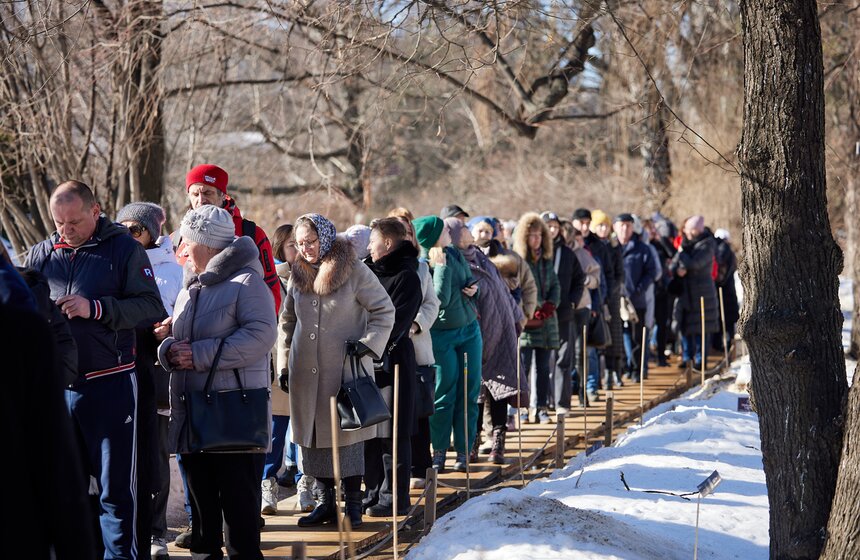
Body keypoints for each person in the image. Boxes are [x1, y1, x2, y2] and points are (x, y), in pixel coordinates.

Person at [26, 181, 165, 559]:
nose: (65, 231)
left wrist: (97, 309)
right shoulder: (41, 254)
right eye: (59, 223)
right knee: (62, 489)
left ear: (96, 210)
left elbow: (152, 307)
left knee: (116, 491)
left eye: (74, 222)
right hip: (58, 388)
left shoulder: (123, 249)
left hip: (112, 384)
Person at [158, 205, 277, 559]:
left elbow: (261, 335)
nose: (182, 250)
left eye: (187, 242)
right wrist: (167, 344)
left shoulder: (247, 282)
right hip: (194, 418)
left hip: (232, 418)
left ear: (209, 246)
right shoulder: (189, 287)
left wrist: (198, 354)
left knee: (239, 522)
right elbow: (185, 338)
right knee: (203, 522)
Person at [279, 213, 395, 529]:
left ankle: (354, 506)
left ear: (326, 239)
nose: (306, 249)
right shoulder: (297, 274)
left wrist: (368, 345)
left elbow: (384, 311)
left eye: (311, 242)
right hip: (305, 371)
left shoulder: (354, 270)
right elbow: (287, 321)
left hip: (344, 371)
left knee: (348, 439)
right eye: (300, 244)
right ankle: (326, 503)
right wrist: (284, 363)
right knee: (314, 441)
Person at [116, 201, 183, 560]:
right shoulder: (113, 263)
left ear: (152, 233)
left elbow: (182, 314)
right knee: (122, 456)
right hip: (118, 367)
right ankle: (127, 530)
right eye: (121, 228)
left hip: (154, 369)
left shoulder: (172, 271)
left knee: (155, 454)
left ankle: (157, 532)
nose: (128, 236)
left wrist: (168, 327)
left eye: (136, 230)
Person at [412, 215, 482, 473]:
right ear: (432, 237)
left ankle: (464, 451)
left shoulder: (454, 254)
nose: (449, 234)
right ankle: (439, 450)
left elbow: (468, 281)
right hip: (441, 335)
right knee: (443, 393)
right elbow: (439, 298)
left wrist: (474, 288)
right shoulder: (423, 262)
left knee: (469, 391)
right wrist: (439, 267)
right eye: (443, 231)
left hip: (469, 330)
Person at [451, 218, 524, 463]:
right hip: (473, 331)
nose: (470, 234)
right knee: (476, 390)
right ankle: (474, 439)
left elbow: (502, 291)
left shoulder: (483, 260)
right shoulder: (453, 261)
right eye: (464, 229)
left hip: (500, 329)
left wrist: (517, 318)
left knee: (499, 389)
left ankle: (498, 441)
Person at [364, 218, 422, 516]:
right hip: (364, 361)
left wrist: (370, 345)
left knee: (393, 432)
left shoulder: (407, 276)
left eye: (372, 241)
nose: (368, 247)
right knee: (369, 430)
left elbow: (396, 322)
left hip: (393, 360)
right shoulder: (368, 270)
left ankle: (395, 496)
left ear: (387, 243)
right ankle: (373, 490)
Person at [173, 163, 280, 313]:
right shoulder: (177, 238)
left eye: (208, 193)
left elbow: (271, 289)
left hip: (235, 328)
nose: (201, 200)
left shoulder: (250, 233)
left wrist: (260, 327)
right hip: (185, 328)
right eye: (195, 194)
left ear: (222, 195)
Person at [387, 209, 440, 490]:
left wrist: (416, 324)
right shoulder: (375, 266)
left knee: (419, 408)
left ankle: (421, 465)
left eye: (409, 232)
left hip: (416, 344)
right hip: (386, 349)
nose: (406, 237)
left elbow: (432, 303)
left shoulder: (421, 268)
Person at [264, 224, 304, 515]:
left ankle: (307, 483)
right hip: (279, 367)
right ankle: (267, 484)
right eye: (292, 244)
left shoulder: (311, 277)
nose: (297, 249)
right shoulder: (270, 281)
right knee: (275, 432)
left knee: (305, 434)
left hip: (307, 366)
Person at [514, 212, 561, 424]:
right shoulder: (518, 261)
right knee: (523, 368)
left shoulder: (546, 260)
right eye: (532, 235)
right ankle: (522, 409)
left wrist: (550, 305)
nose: (536, 239)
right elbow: (516, 290)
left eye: (540, 235)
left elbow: (555, 286)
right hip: (526, 320)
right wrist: (530, 309)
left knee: (543, 368)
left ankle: (541, 408)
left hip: (545, 322)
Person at [541, 211, 585, 414]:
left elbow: (579, 279)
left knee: (563, 358)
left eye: (555, 227)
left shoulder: (567, 253)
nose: (552, 230)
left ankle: (562, 402)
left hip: (565, 312)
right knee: (543, 359)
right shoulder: (535, 252)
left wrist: (573, 302)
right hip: (540, 314)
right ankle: (542, 402)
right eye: (548, 226)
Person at [670, 216, 720, 369]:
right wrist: (677, 271)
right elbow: (674, 264)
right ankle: (686, 357)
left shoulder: (707, 244)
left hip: (702, 293)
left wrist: (682, 253)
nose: (685, 232)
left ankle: (700, 360)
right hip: (686, 293)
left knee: (701, 329)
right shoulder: (685, 244)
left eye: (689, 229)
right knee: (685, 326)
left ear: (696, 230)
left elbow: (694, 264)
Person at [614, 213, 659, 383]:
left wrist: (640, 289)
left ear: (633, 228)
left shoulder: (642, 248)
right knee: (623, 335)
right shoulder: (612, 247)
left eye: (628, 225)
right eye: (621, 225)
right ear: (615, 227)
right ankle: (629, 367)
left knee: (638, 335)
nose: (625, 229)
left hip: (637, 300)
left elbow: (652, 272)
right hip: (617, 300)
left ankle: (640, 368)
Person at [644, 218, 677, 366]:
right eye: (648, 229)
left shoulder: (659, 244)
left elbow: (674, 254)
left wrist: (662, 240)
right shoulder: (642, 246)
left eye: (653, 228)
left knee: (663, 323)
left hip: (662, 290)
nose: (651, 231)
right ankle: (646, 355)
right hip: (646, 291)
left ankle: (661, 356)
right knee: (647, 325)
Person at [713, 228, 739, 353]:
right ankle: (726, 344)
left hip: (722, 289)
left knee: (723, 317)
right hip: (725, 289)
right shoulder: (725, 249)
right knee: (726, 318)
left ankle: (724, 344)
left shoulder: (718, 248)